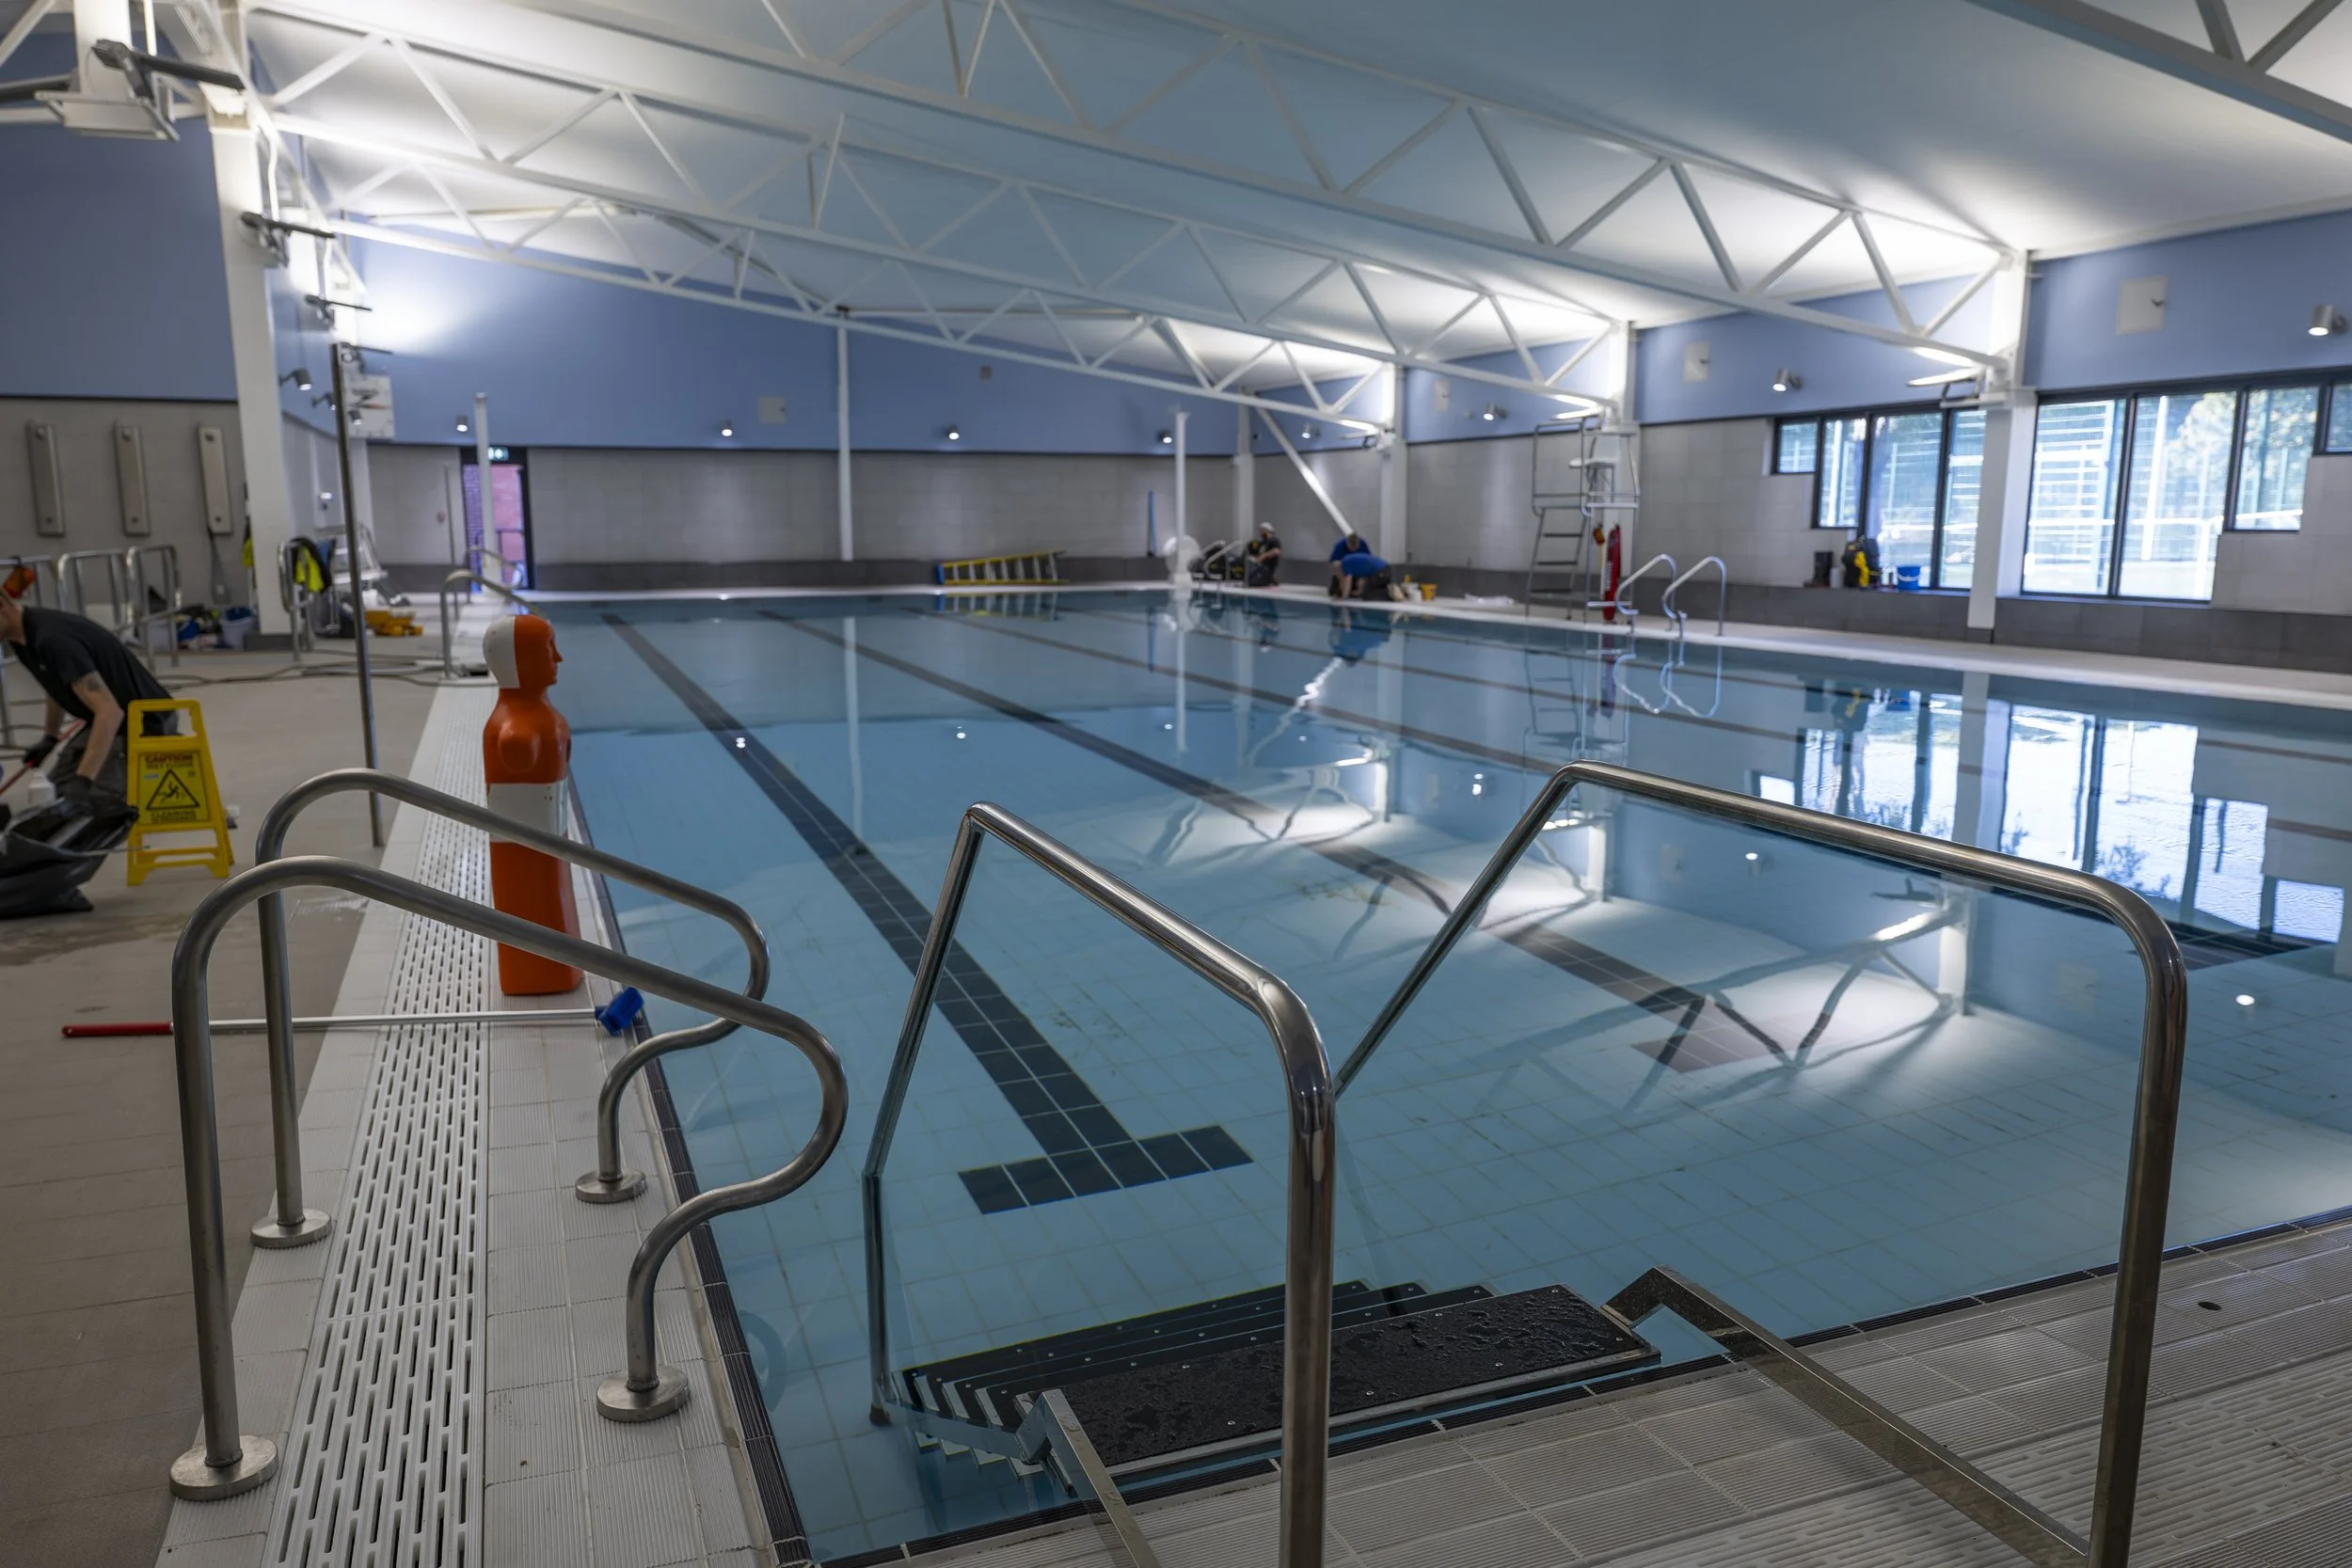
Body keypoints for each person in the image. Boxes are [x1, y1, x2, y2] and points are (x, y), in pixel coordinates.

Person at [0, 586, 173, 815]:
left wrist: (84, 780)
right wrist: (50, 737)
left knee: (95, 807)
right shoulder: (21, 637)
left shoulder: (52, 638)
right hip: (109, 722)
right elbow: (57, 684)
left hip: (145, 722)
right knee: (54, 795)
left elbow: (110, 713)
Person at [1337, 547, 1404, 601]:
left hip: (1382, 571)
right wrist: (1358, 591)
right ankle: (1391, 590)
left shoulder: (1345, 563)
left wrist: (1343, 597)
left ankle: (1391, 592)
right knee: (1367, 593)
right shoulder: (1352, 562)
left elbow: (1348, 581)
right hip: (1384, 570)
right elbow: (1362, 582)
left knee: (1368, 595)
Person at [1327, 531, 1371, 596]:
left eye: (1355, 547)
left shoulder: (1363, 544)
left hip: (1358, 570)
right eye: (1352, 547)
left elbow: (1369, 560)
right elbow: (1333, 562)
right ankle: (1340, 586)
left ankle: (1356, 587)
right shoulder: (1340, 545)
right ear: (1347, 543)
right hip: (1345, 570)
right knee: (1338, 566)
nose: (1353, 549)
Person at [1244, 522, 1283, 587]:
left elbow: (1276, 551)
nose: (1260, 533)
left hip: (1267, 567)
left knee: (1253, 582)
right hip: (1260, 566)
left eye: (1262, 530)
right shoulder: (1263, 543)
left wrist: (1263, 556)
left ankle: (1269, 579)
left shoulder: (1274, 540)